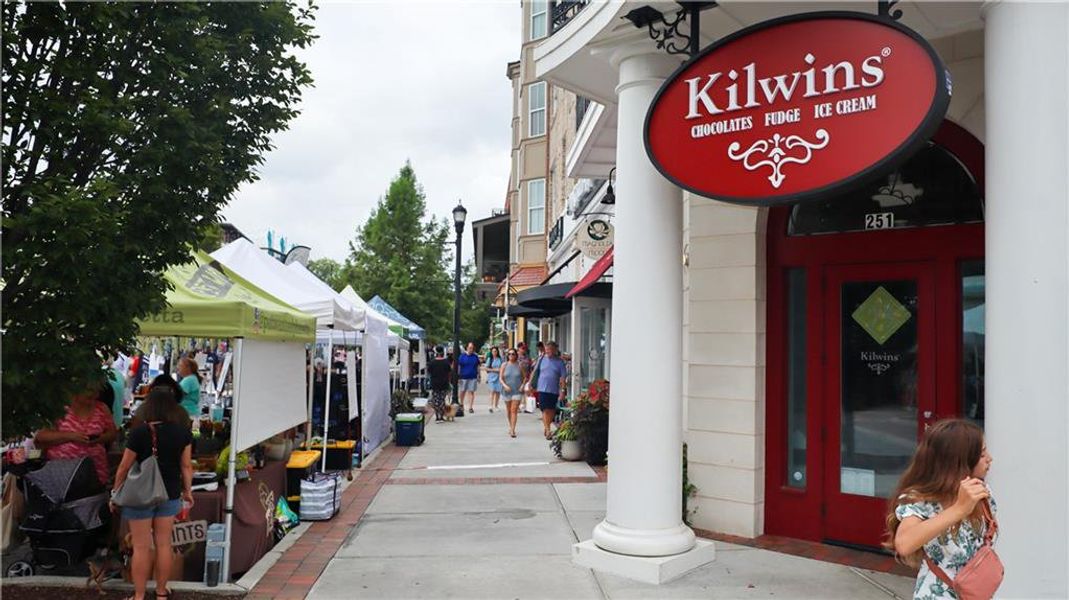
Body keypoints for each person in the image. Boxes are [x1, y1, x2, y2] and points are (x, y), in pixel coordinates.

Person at [886, 419, 998, 600]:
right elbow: (904, 544)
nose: (990, 458)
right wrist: (958, 510)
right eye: (982, 454)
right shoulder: (923, 500)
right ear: (959, 460)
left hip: (975, 593)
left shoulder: (980, 492)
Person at [111, 389, 194, 600]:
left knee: (141, 547)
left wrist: (115, 492)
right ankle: (161, 593)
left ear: (148, 407)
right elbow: (186, 466)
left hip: (140, 496)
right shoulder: (182, 433)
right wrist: (188, 491)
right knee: (164, 544)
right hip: (170, 493)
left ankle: (139, 596)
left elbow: (123, 467)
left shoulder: (139, 433)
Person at [35, 384, 118, 486]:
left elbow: (112, 434)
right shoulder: (59, 408)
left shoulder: (102, 408)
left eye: (97, 391)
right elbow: (41, 436)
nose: (95, 395)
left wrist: (98, 439)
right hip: (62, 475)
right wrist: (70, 436)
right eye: (91, 390)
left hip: (95, 472)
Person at [527, 341, 567, 439]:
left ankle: (547, 426)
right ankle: (548, 429)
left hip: (554, 389)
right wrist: (530, 384)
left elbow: (563, 378)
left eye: (550, 350)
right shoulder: (541, 359)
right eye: (546, 349)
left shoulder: (560, 362)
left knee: (552, 410)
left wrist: (562, 391)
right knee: (544, 409)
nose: (548, 351)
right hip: (542, 389)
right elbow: (535, 372)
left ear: (555, 350)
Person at [499, 348, 524, 438]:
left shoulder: (519, 365)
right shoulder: (504, 365)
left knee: (514, 410)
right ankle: (511, 426)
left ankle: (513, 430)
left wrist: (522, 386)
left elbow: (524, 377)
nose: (511, 355)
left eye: (513, 354)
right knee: (509, 410)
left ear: (516, 355)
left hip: (517, 390)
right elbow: (500, 378)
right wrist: (505, 386)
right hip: (506, 391)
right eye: (509, 354)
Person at [427, 346, 453, 422]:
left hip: (434, 384)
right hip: (444, 383)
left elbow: (429, 372)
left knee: (435, 400)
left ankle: (437, 415)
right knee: (442, 400)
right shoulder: (446, 362)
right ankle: (441, 415)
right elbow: (449, 373)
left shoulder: (432, 362)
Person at [456, 342, 480, 414]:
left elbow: (478, 366)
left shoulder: (475, 356)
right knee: (462, 391)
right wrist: (458, 376)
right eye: (470, 348)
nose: (471, 349)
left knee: (471, 392)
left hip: (473, 376)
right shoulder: (462, 356)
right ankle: (461, 404)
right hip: (463, 377)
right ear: (467, 348)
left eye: (472, 348)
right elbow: (459, 366)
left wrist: (479, 375)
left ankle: (470, 407)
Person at [485, 347, 503, 413]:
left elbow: (502, 368)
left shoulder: (500, 359)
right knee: (492, 391)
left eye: (495, 351)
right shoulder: (490, 359)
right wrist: (494, 370)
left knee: (498, 392)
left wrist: (500, 370)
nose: (494, 353)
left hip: (498, 377)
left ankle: (496, 405)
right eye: (493, 351)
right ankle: (490, 406)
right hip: (491, 377)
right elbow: (486, 368)